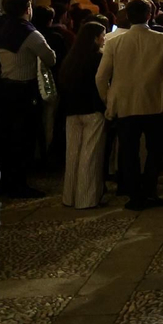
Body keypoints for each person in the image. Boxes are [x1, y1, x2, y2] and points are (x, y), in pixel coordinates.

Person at [96, 0, 163, 208]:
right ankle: (150, 189)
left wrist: (108, 99)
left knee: (128, 150)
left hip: (125, 103)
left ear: (128, 16)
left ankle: (134, 195)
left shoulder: (114, 42)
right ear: (149, 15)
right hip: (153, 102)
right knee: (156, 150)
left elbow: (101, 77)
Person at [0, 0, 57, 198]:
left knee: (6, 137)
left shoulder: (3, 28)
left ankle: (3, 181)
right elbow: (50, 58)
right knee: (23, 138)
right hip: (24, 90)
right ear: (27, 9)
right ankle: (19, 183)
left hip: (5, 88)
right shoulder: (30, 33)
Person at [59, 21, 109, 208]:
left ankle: (69, 196)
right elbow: (102, 83)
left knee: (72, 153)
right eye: (102, 35)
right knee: (90, 154)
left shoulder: (71, 58)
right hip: (92, 109)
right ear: (95, 38)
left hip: (72, 109)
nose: (104, 39)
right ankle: (86, 199)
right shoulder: (98, 58)